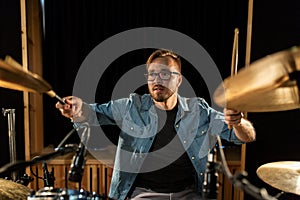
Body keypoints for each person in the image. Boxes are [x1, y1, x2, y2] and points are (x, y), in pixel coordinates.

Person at [56, 49, 256, 200]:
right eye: (152, 74)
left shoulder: (199, 110)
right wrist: (78, 109)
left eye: (164, 74)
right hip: (142, 195)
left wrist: (238, 122)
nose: (156, 80)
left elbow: (246, 136)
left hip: (187, 194)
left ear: (179, 81)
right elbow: (92, 113)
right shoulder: (131, 106)